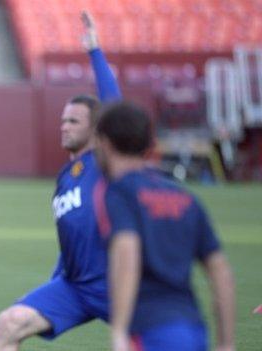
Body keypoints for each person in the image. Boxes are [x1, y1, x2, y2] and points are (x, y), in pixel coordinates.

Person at [0, 11, 121, 350]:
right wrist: (54, 290)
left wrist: (94, 50)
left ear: (96, 130)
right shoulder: (66, 178)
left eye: (74, 121)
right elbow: (72, 238)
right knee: (9, 323)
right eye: (63, 120)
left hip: (121, 284)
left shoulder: (103, 163)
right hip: (75, 286)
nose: (64, 126)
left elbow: (115, 107)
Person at [94, 102, 235, 351]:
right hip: (193, 330)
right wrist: (226, 343)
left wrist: (118, 332)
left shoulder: (119, 192)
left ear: (105, 143)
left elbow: (127, 253)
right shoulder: (185, 197)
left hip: (151, 332)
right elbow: (220, 271)